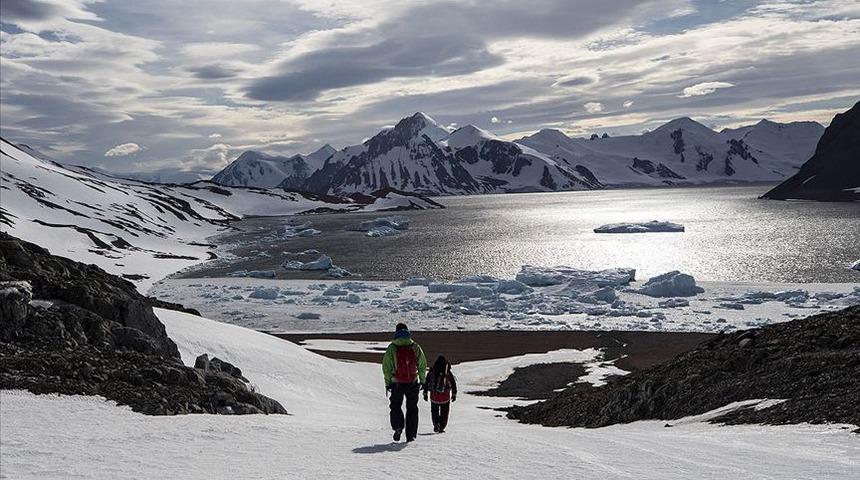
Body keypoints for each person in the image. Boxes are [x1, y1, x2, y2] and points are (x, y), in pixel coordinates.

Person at [382, 323, 427, 442]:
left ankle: (398, 427)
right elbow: (422, 365)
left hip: (397, 383)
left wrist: (387, 383)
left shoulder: (392, 347)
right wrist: (422, 380)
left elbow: (386, 367)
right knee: (412, 408)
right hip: (412, 382)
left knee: (396, 405)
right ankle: (411, 435)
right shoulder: (415, 346)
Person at [423, 355, 457, 433]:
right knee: (444, 412)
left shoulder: (432, 371)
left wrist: (425, 393)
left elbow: (426, 382)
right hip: (445, 396)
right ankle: (441, 427)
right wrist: (454, 394)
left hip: (434, 396)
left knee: (434, 411)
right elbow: (453, 383)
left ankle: (436, 425)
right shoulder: (447, 372)